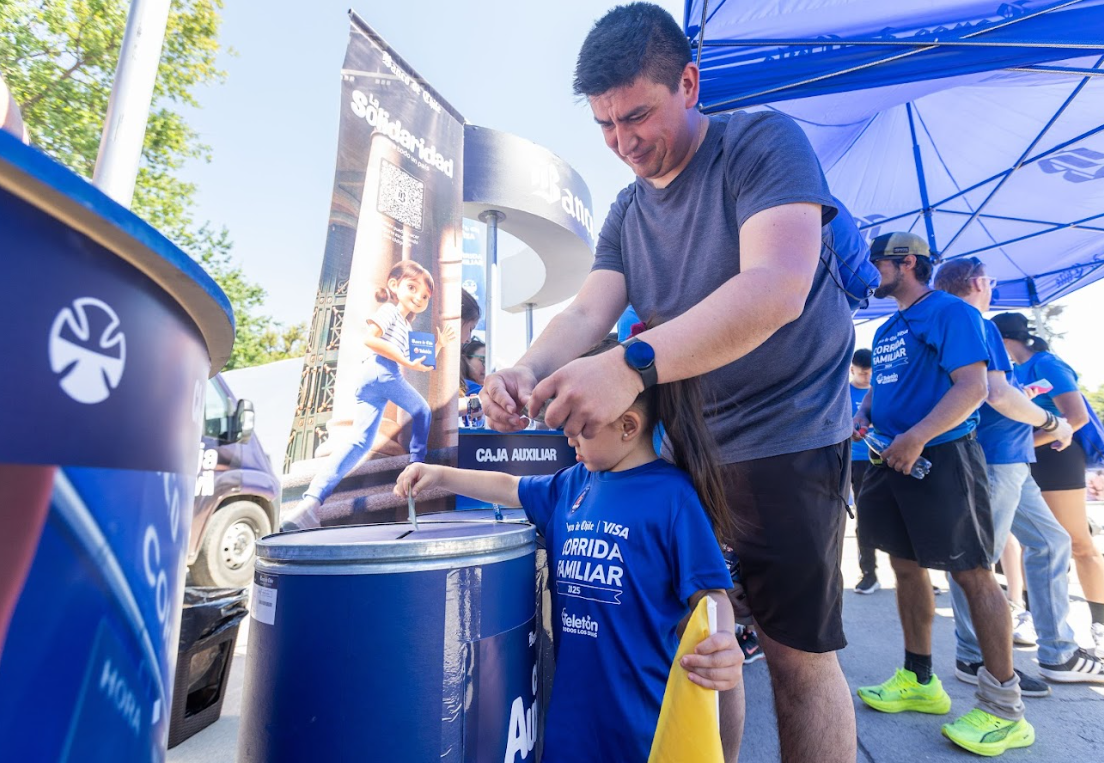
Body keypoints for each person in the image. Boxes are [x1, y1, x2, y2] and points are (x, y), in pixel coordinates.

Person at [480, 5, 857, 761]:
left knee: (797, 659)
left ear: (687, 83)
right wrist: (526, 369)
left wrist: (630, 364)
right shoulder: (626, 209)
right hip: (688, 450)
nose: (623, 142)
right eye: (605, 125)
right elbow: (587, 310)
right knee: (704, 642)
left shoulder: (761, 143)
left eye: (637, 116)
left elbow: (776, 287)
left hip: (788, 437)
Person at [395, 340, 743, 760]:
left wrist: (723, 639)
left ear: (628, 425)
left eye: (579, 422)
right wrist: (439, 475)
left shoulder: (674, 497)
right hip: (570, 726)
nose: (566, 433)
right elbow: (509, 487)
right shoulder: (571, 484)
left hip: (644, 726)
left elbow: (710, 594)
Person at [853, 232, 1033, 756]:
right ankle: (919, 680)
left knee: (973, 573)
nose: (869, 273)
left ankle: (1004, 708)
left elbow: (974, 387)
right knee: (905, 567)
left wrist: (916, 437)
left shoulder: (952, 312)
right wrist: (865, 413)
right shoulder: (887, 327)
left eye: (876, 264)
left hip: (942, 457)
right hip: (890, 459)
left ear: (906, 262)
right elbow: (884, 388)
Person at [935, 259, 1103, 688]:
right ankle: (973, 656)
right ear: (978, 283)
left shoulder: (952, 324)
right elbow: (994, 394)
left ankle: (1058, 653)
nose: (991, 288)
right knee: (977, 562)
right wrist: (1052, 422)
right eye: (990, 281)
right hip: (994, 458)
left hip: (1012, 457)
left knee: (1051, 542)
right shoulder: (972, 322)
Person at [282, 261, 453, 531]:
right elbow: (371, 339)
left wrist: (438, 345)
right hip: (381, 371)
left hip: (372, 378)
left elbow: (420, 363)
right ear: (394, 285)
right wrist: (404, 362)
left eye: (424, 296)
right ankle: (416, 465)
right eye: (412, 288)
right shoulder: (389, 311)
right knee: (422, 411)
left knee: (360, 442)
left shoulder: (406, 327)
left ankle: (310, 504)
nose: (418, 297)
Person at [992, 310, 1104, 658]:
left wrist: (1025, 443)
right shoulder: (1013, 371)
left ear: (1003, 338)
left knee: (1078, 543)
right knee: (1035, 544)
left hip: (1057, 458)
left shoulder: (1047, 363)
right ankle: (1033, 618)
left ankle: (1100, 627)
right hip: (1023, 460)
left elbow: (1077, 416)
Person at [849, 348, 880, 594]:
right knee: (864, 518)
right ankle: (869, 573)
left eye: (870, 373)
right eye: (862, 373)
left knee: (896, 517)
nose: (867, 377)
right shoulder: (842, 392)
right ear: (852, 370)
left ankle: (916, 574)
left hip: (879, 460)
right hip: (852, 462)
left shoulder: (882, 390)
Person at [459, 339, 487, 428]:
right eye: (483, 360)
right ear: (465, 359)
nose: (487, 366)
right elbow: (482, 400)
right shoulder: (472, 387)